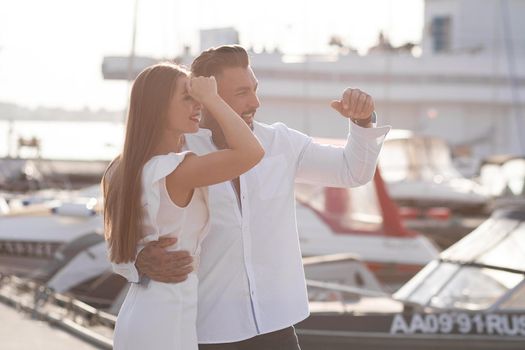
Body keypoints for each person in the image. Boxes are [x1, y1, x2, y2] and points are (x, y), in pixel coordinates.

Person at [113, 46, 391, 349]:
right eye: (242, 92)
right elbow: (126, 212)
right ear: (209, 96)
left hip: (276, 323)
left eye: (255, 89)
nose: (255, 102)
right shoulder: (177, 152)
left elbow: (352, 172)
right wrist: (136, 261)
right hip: (207, 327)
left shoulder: (281, 142)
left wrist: (363, 123)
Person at [102, 62, 264, 350]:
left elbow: (119, 250)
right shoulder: (176, 170)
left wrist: (137, 261)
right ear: (157, 107)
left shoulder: (122, 168)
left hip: (138, 314)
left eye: (197, 97)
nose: (198, 104)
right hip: (168, 318)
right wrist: (214, 98)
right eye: (187, 97)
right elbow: (251, 152)